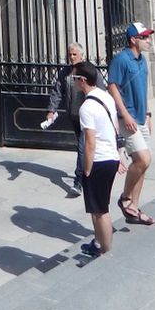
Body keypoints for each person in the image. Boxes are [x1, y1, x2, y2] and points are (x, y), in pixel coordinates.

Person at [108, 22, 155, 226]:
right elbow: (113, 86)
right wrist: (124, 115)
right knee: (144, 159)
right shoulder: (121, 60)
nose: (148, 41)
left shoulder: (142, 61)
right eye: (144, 37)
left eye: (148, 37)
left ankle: (133, 208)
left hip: (141, 117)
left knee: (142, 165)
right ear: (133, 40)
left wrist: (147, 113)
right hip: (128, 120)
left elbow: (143, 89)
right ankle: (125, 197)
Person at [44, 42, 106, 196]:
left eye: (74, 54)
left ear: (82, 55)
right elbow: (57, 91)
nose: (71, 57)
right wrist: (51, 111)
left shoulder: (90, 71)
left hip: (88, 117)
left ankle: (79, 181)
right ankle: (91, 172)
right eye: (70, 54)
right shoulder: (65, 72)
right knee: (85, 148)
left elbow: (101, 92)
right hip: (73, 116)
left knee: (81, 147)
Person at [73, 61, 120, 258]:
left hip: (98, 161)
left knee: (101, 210)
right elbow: (114, 126)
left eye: (75, 78)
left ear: (83, 81)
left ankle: (106, 251)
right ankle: (98, 243)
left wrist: (87, 168)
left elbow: (89, 142)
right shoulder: (106, 97)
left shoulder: (86, 108)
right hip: (111, 157)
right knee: (97, 207)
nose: (73, 82)